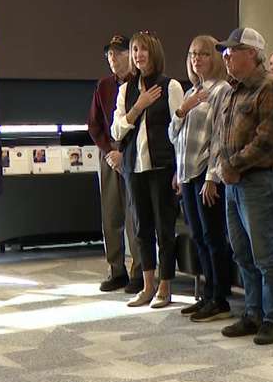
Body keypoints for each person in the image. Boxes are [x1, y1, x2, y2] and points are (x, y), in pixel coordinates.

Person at [216, 27, 273, 346]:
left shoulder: (271, 87)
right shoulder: (233, 89)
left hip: (259, 179)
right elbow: (223, 134)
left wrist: (232, 165)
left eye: (233, 51)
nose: (227, 57)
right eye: (226, 52)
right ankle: (252, 313)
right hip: (234, 181)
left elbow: (266, 140)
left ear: (252, 54)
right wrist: (224, 167)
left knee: (264, 254)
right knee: (241, 252)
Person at [111, 31, 185, 309]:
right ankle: (147, 285)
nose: (138, 55)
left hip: (162, 166)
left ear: (154, 53)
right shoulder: (125, 90)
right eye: (134, 50)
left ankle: (166, 286)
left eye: (143, 50)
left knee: (164, 228)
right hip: (134, 167)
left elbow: (178, 132)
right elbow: (117, 129)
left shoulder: (171, 86)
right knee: (142, 228)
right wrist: (137, 107)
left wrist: (179, 169)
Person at [169, 35, 234, 321]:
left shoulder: (222, 90)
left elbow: (220, 137)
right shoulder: (190, 92)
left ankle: (219, 297)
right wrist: (183, 109)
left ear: (215, 58)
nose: (197, 59)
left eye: (204, 54)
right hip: (186, 173)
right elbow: (174, 136)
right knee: (198, 236)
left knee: (213, 236)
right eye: (193, 54)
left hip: (206, 175)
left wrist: (211, 177)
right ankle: (206, 294)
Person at [87, 33, 144, 293]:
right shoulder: (103, 86)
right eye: (109, 54)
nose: (113, 58)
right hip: (108, 152)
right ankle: (116, 269)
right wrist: (109, 151)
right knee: (111, 215)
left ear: (130, 55)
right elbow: (94, 124)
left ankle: (139, 271)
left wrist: (123, 152)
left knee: (135, 215)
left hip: (132, 152)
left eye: (118, 53)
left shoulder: (140, 83)